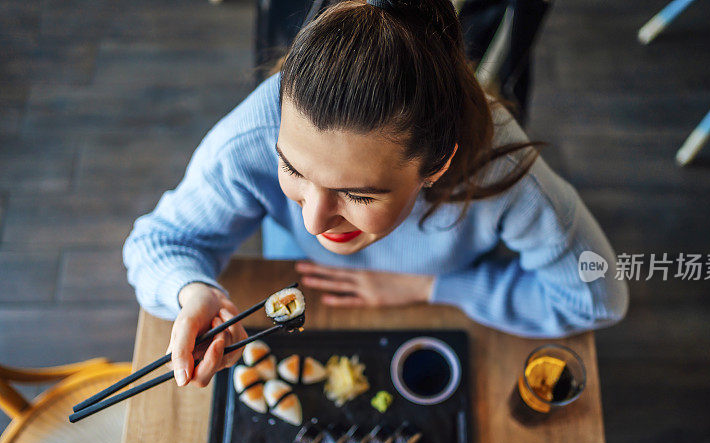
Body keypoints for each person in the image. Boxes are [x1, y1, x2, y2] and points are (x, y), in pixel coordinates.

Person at [123, 0, 628, 389]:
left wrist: (428, 288)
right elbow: (158, 243)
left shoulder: (507, 173)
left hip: (440, 315)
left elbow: (597, 300)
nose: (315, 223)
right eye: (291, 168)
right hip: (297, 292)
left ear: (438, 165)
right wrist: (192, 292)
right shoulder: (254, 133)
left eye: (359, 195)